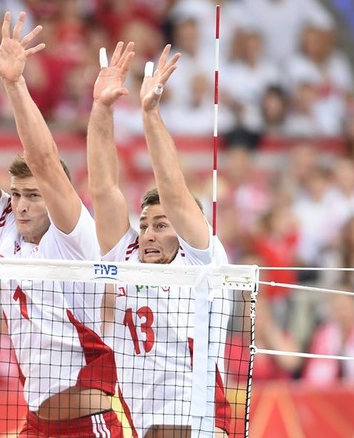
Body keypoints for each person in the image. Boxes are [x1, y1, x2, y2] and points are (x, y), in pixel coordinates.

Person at [0, 11, 125, 437]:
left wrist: (14, 83)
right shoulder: (4, 228)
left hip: (87, 426)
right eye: (16, 195)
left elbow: (43, 161)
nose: (19, 206)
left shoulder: (73, 235)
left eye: (33, 196)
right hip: (34, 424)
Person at [87, 44, 232, 437]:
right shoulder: (128, 255)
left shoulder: (200, 260)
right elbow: (103, 188)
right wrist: (102, 109)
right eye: (146, 224)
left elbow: (173, 190)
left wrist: (149, 114)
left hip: (196, 417)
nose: (149, 233)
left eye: (162, 225)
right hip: (146, 422)